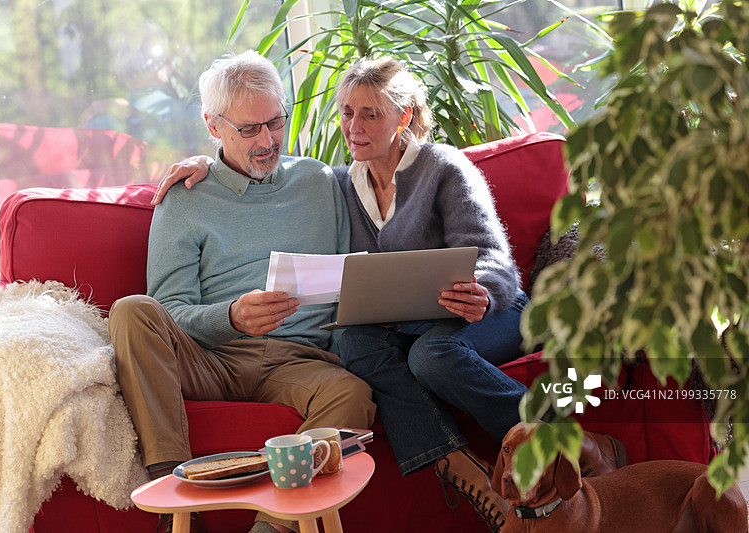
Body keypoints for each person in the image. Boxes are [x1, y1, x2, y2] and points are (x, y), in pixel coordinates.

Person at [156, 56, 626, 533]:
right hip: (409, 324)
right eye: (345, 113)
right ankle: (458, 467)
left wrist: (480, 290)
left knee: (432, 356)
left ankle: (571, 441)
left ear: (404, 116)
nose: (354, 128)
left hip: (486, 315)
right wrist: (205, 165)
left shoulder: (445, 169)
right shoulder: (340, 184)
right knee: (358, 344)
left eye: (370, 114)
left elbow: (498, 263)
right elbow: (252, 167)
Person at [108, 51, 376, 533]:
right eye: (249, 130)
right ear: (213, 126)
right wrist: (230, 317)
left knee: (352, 395)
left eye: (276, 123)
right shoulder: (186, 198)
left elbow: (351, 268)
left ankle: (272, 527)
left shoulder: (319, 182)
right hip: (212, 357)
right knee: (132, 312)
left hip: (299, 360)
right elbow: (167, 310)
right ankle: (171, 499)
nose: (268, 141)